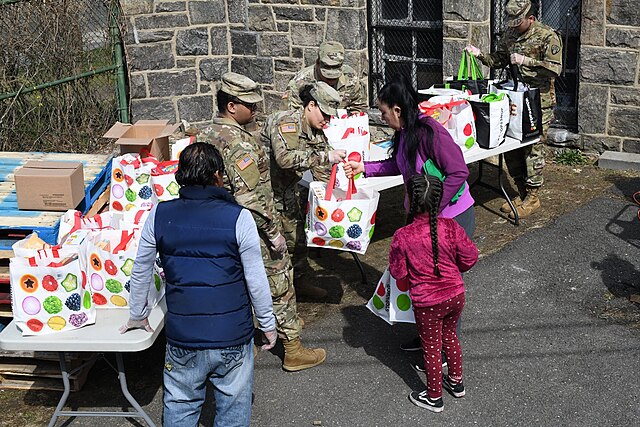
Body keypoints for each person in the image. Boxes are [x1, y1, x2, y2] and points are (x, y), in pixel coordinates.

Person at [119, 142, 277, 426]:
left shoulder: (159, 214)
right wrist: (267, 324)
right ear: (218, 176)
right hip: (233, 335)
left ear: (181, 175)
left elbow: (141, 268)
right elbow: (256, 277)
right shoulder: (239, 217)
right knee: (233, 411)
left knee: (180, 406)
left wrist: (137, 315)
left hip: (183, 336)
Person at [197, 72, 327, 372]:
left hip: (219, 223)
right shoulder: (239, 144)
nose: (255, 110)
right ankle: (293, 348)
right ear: (232, 107)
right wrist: (273, 233)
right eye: (249, 105)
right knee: (279, 279)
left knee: (239, 283)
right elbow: (250, 197)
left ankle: (251, 337)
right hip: (249, 225)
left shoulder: (207, 134)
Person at [344, 74, 475, 353]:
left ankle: (445, 350)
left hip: (452, 218)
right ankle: (428, 337)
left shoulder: (431, 132)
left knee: (443, 287)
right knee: (423, 284)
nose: (381, 117)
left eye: (382, 111)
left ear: (397, 110)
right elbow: (398, 165)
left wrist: (431, 207)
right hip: (426, 218)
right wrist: (364, 168)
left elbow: (459, 171)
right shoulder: (405, 133)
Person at [465, 0, 563, 219]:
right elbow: (498, 59)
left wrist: (525, 60)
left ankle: (533, 197)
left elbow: (555, 70)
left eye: (518, 22)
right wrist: (479, 54)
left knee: (533, 148)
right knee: (512, 145)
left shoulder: (548, 36)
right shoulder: (510, 34)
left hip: (539, 102)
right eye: (512, 22)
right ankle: (522, 192)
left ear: (531, 18)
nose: (514, 26)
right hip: (515, 98)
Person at [389, 174, 478, 412]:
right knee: (450, 337)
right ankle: (456, 383)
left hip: (427, 302)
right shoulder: (451, 226)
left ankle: (434, 396)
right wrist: (454, 270)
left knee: (430, 346)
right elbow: (470, 257)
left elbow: (398, 273)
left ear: (410, 199)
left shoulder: (403, 236)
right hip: (455, 294)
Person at [262, 82, 346, 297]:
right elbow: (285, 159)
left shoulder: (316, 129)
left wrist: (339, 181)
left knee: (298, 240)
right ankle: (278, 296)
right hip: (267, 196)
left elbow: (324, 155)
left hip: (289, 192)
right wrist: (326, 157)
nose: (326, 120)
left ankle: (299, 284)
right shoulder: (286, 122)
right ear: (311, 105)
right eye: (324, 114)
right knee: (275, 250)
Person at [284, 40, 367, 113]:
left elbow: (359, 107)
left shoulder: (351, 78)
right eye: (327, 77)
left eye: (335, 77)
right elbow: (290, 114)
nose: (331, 80)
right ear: (317, 64)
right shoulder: (300, 82)